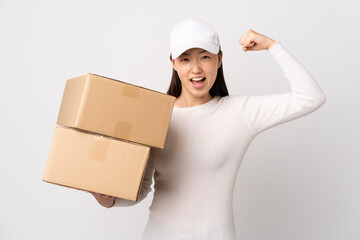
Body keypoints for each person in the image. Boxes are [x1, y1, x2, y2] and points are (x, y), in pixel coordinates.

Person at [90, 17, 326, 239]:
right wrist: (108, 199)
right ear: (173, 63)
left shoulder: (240, 113)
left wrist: (272, 46)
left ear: (219, 59)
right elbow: (142, 188)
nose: (196, 69)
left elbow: (311, 97)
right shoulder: (156, 115)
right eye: (185, 59)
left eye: (204, 57)